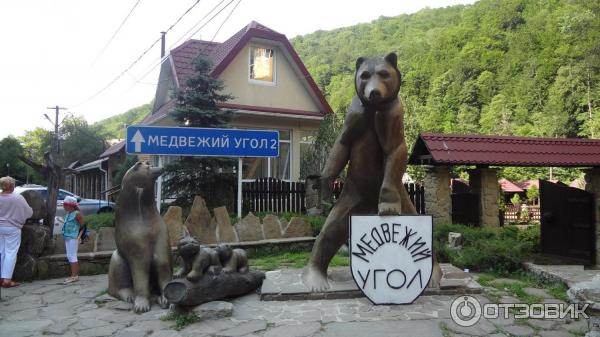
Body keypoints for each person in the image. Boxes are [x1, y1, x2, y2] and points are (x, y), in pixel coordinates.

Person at [0, 176, 33, 288]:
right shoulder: (17, 198)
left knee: (1, 252)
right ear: (12, 186)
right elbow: (29, 212)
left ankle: (1, 277)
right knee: (10, 253)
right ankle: (7, 280)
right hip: (12, 228)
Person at [62, 196, 84, 284]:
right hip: (67, 237)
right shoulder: (68, 213)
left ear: (71, 205)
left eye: (65, 204)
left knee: (72, 256)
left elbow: (83, 226)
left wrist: (79, 237)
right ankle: (74, 275)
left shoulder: (77, 213)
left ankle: (74, 276)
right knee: (69, 255)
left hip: (74, 237)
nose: (63, 206)